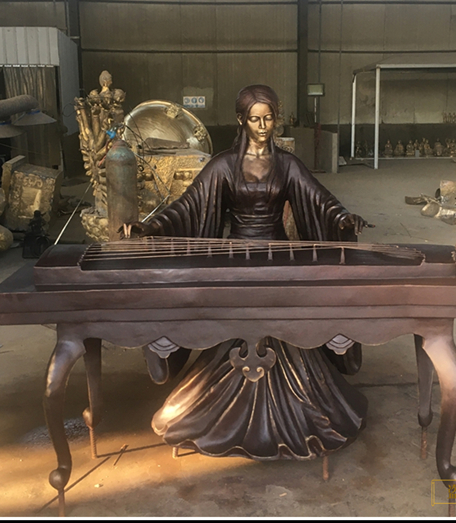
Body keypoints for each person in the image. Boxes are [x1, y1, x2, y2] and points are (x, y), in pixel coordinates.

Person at [124, 84, 371, 461]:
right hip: (235, 258)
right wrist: (152, 226)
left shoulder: (287, 164)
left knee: (286, 322)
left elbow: (319, 199)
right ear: (241, 120)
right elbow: (188, 206)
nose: (263, 125)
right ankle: (216, 403)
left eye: (269, 118)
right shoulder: (223, 164)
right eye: (255, 119)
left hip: (278, 257)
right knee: (232, 321)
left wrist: (342, 218)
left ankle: (300, 400)